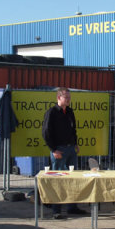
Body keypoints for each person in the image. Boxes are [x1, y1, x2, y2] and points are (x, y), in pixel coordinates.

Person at [42, 87, 87, 219]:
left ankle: (72, 207)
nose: (68, 100)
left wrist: (76, 143)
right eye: (66, 97)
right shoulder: (52, 112)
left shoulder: (70, 111)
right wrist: (53, 149)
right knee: (58, 180)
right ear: (59, 98)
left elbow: (73, 129)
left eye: (69, 97)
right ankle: (56, 210)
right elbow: (46, 132)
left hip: (71, 149)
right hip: (59, 150)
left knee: (72, 179)